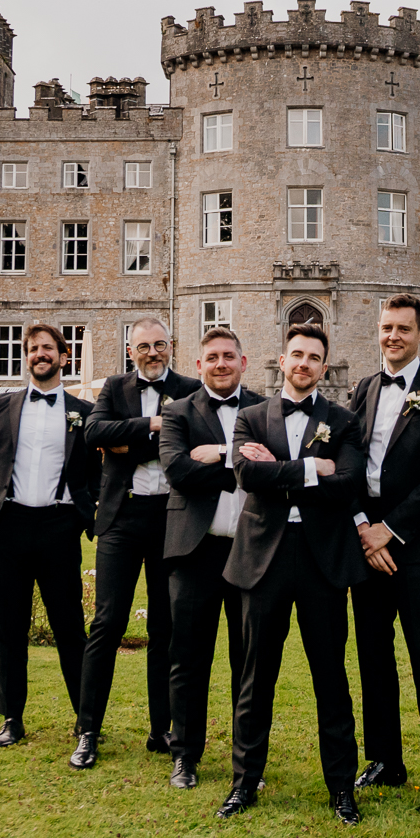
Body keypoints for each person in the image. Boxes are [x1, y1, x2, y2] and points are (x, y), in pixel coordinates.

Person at [218, 323, 368, 824]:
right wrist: (309, 468)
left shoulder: (344, 422)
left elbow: (347, 484)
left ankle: (342, 790)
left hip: (323, 560)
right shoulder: (251, 417)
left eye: (313, 358)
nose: (303, 364)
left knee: (331, 678)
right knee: (255, 678)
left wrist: (281, 468)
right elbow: (245, 475)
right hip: (264, 559)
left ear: (323, 368)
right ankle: (243, 785)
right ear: (281, 360)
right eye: (296, 354)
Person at [345, 292, 420, 810]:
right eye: (386, 327)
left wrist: (389, 530)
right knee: (373, 657)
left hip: (418, 549)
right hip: (367, 547)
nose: (393, 336)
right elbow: (348, 465)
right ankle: (386, 761)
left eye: (403, 328)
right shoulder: (364, 389)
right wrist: (362, 528)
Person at [71, 317, 202, 769]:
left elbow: (191, 446)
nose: (152, 352)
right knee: (106, 624)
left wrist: (128, 441)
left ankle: (161, 730)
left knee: (164, 629)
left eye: (159, 344)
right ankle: (88, 731)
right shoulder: (113, 387)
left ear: (172, 345)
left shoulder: (190, 388)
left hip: (171, 518)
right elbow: (93, 434)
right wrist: (153, 424)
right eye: (143, 346)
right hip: (122, 518)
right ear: (131, 351)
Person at [0, 323, 100, 749]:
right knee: (11, 626)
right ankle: (12, 719)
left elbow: (98, 472)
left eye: (48, 348)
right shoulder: (2, 406)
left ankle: (86, 720)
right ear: (27, 357)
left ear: (64, 357)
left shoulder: (84, 410)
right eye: (33, 349)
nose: (40, 354)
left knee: (69, 627)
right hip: (9, 526)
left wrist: (85, 513)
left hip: (60, 528)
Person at [156, 326, 261, 789]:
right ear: (199, 366)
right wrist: (239, 462)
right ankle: (185, 755)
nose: (221, 364)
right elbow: (177, 470)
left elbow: (272, 465)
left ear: (244, 362)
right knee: (189, 658)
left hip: (251, 552)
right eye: (212, 357)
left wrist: (218, 455)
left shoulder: (263, 408)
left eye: (229, 356)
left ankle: (248, 765)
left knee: (249, 663)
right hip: (194, 551)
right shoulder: (177, 410)